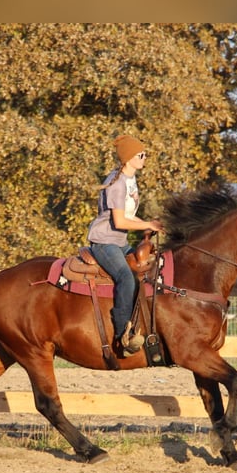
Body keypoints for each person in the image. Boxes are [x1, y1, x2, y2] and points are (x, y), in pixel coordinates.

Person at [87, 134, 163, 355]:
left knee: (146, 270)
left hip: (119, 241)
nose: (144, 157)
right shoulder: (118, 184)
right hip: (104, 242)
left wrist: (150, 225)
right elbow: (119, 221)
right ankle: (124, 334)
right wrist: (146, 224)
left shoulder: (130, 180)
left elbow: (128, 215)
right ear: (129, 157)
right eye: (141, 154)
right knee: (125, 277)